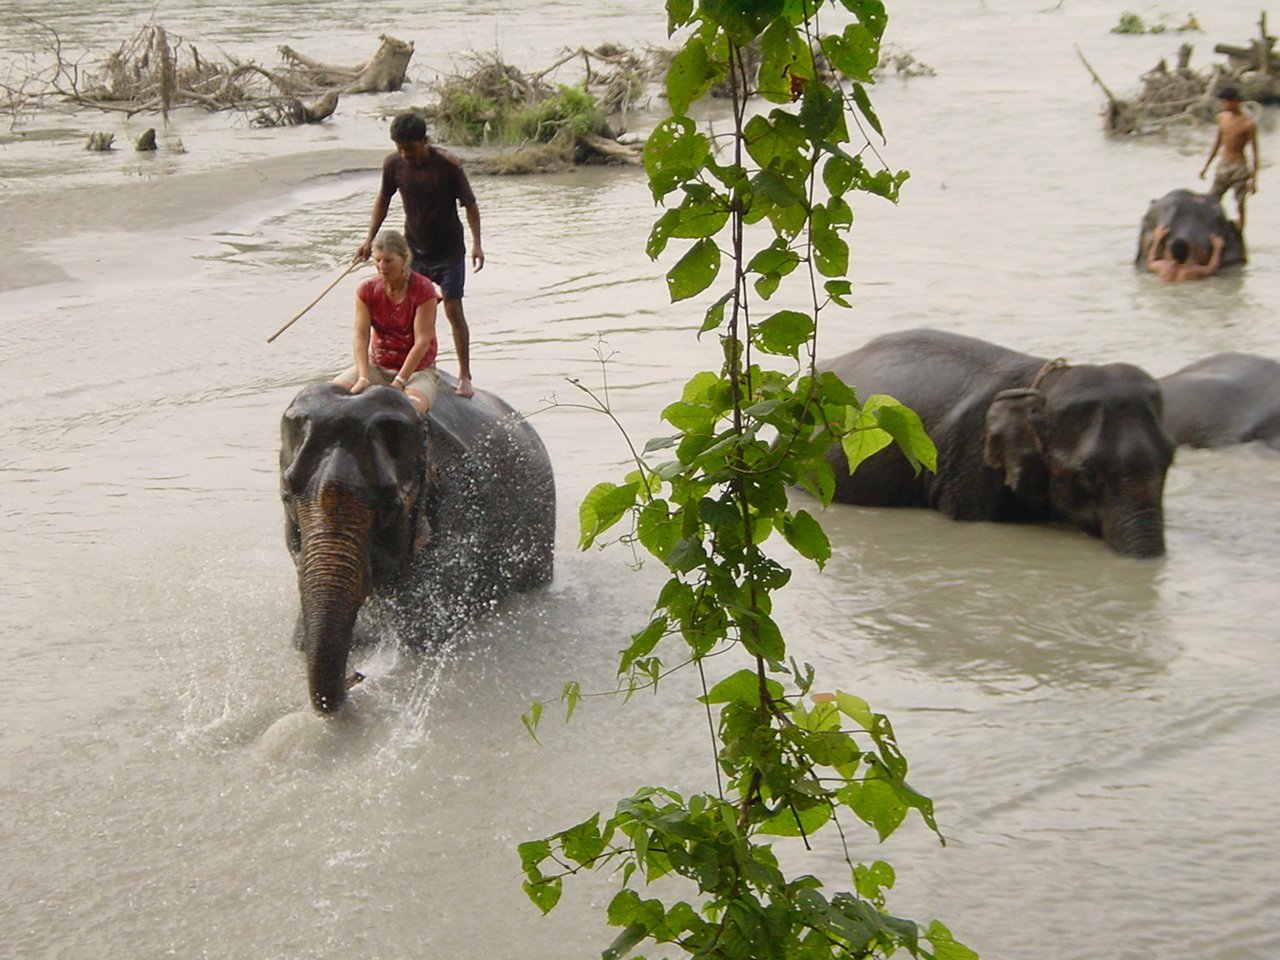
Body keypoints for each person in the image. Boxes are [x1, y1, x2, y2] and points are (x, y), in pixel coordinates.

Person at [355, 112, 482, 400]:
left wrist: (477, 243)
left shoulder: (448, 166)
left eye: (410, 148)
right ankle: (409, 367)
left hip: (449, 250)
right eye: (400, 148)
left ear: (425, 141)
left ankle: (465, 374)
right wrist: (368, 240)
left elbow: (471, 206)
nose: (405, 154)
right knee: (411, 307)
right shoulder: (393, 165)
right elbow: (383, 202)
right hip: (415, 250)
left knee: (452, 308)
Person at [335, 230, 442, 415]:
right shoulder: (366, 290)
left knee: (408, 411)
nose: (382, 266)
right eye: (377, 260)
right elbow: (360, 336)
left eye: (388, 260)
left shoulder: (423, 290)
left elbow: (422, 341)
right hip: (378, 366)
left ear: (404, 259)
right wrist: (363, 376)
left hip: (417, 371)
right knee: (331, 399)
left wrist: (399, 381)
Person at [1199, 85, 1259, 233]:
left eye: (1225, 102)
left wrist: (1253, 180)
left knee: (1240, 203)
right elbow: (1217, 143)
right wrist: (1206, 166)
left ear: (1236, 102)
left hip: (1239, 165)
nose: (1223, 105)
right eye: (1222, 102)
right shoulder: (1221, 118)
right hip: (1223, 164)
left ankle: (1240, 231)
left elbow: (1255, 152)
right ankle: (1210, 227)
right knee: (1212, 199)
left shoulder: (1248, 124)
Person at [1145, 223, 1225, 283]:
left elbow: (1150, 262)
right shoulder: (1192, 271)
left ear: (1171, 255)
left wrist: (1157, 239)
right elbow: (1211, 269)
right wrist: (1217, 248)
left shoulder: (1164, 267)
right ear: (1188, 254)